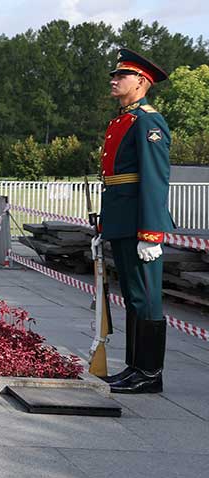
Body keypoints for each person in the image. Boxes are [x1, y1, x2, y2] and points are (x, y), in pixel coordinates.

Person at [99, 48, 173, 394]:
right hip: (122, 218)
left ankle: (149, 372)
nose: (114, 81)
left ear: (142, 82)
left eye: (121, 76)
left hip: (140, 223)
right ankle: (134, 367)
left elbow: (154, 179)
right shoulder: (123, 120)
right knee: (133, 296)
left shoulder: (148, 121)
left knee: (146, 298)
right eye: (114, 76)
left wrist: (151, 232)